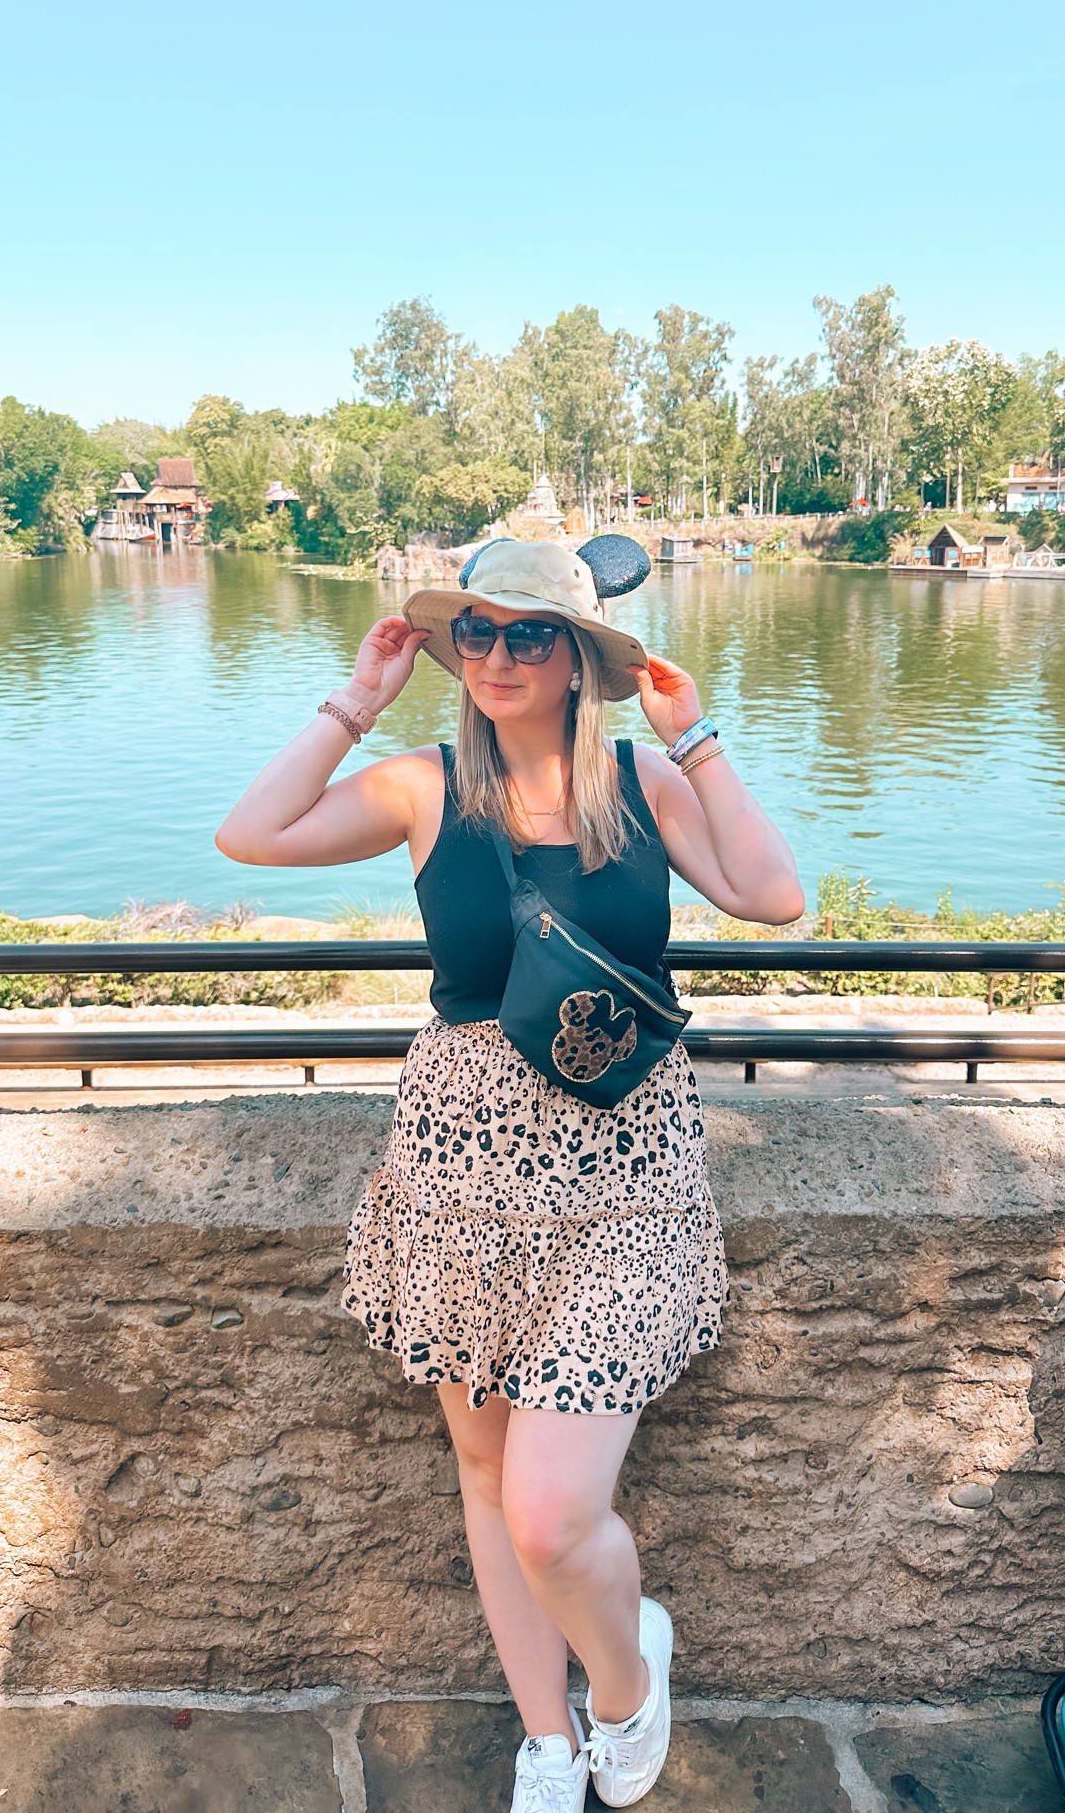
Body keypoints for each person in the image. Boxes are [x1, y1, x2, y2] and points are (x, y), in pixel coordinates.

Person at [217, 536, 803, 1812]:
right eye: (472, 632)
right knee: (484, 1475)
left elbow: (774, 894)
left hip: (628, 1174)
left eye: (527, 634)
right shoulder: (422, 786)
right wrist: (354, 699)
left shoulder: (643, 781)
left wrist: (698, 736)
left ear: (582, 657)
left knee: (549, 1509)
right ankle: (546, 1734)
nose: (494, 656)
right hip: (458, 1169)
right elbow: (250, 834)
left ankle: (623, 1676)